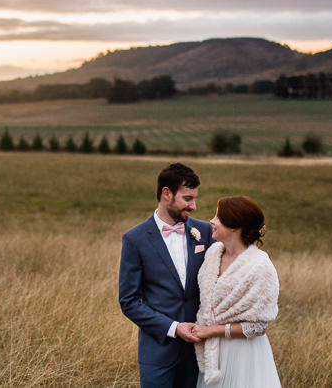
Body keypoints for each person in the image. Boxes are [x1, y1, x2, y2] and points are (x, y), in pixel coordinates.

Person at [119, 163, 213, 387]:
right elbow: (129, 301)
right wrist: (173, 327)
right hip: (157, 354)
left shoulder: (205, 232)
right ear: (166, 194)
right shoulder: (135, 239)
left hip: (198, 353)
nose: (194, 206)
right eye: (188, 199)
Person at [192, 196, 280, 388]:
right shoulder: (213, 253)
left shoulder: (260, 266)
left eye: (218, 217)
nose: (211, 221)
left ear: (234, 226)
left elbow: (259, 327)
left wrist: (211, 330)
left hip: (243, 352)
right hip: (213, 351)